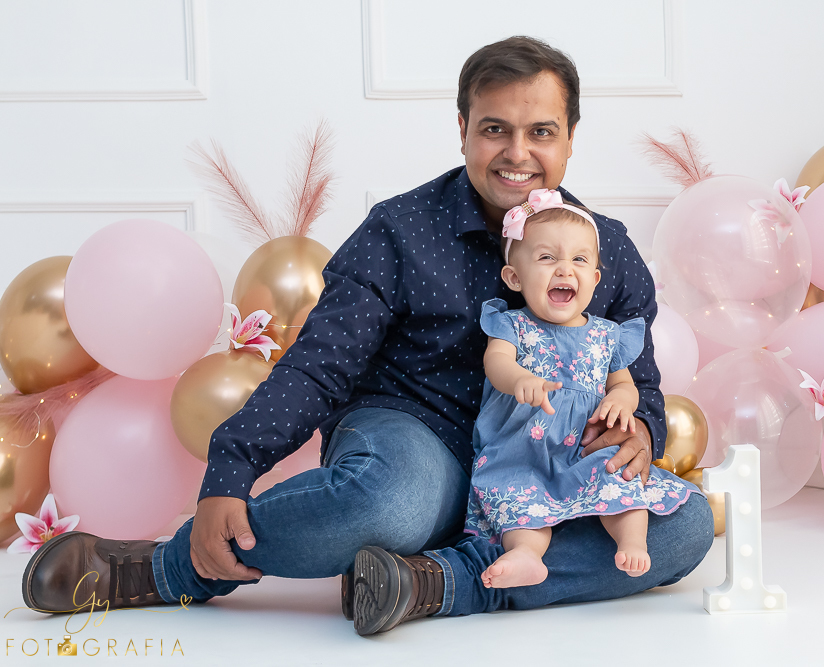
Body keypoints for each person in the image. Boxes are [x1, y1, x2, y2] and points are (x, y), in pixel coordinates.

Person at [22, 36, 714, 636]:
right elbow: (318, 366)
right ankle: (166, 567)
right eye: (494, 129)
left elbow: (639, 379)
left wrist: (640, 430)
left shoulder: (608, 251)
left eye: (541, 131)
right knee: (393, 501)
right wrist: (231, 467)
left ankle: (432, 583)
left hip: (547, 465)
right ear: (463, 130)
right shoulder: (400, 230)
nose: (517, 153)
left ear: (570, 136)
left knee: (682, 525)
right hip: (418, 435)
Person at [458, 191, 703, 591]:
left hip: (584, 449)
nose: (564, 269)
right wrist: (519, 380)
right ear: (514, 277)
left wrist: (621, 400)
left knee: (619, 477)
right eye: (546, 258)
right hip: (523, 453)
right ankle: (526, 554)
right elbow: (496, 363)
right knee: (519, 499)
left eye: (579, 260)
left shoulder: (607, 335)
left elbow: (624, 383)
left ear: (595, 279)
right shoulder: (512, 325)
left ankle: (632, 541)